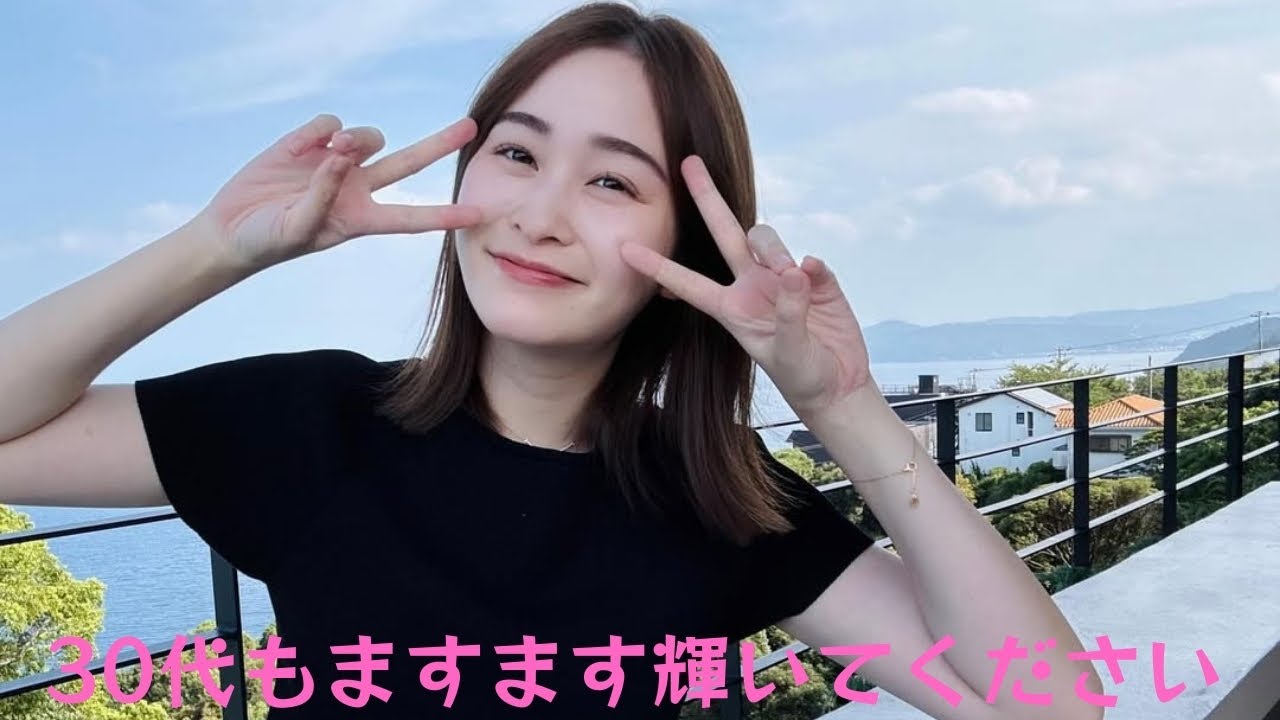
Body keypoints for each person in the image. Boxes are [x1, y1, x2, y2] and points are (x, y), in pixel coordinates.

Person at [0, 2, 1103, 719]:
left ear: (682, 245)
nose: (540, 214)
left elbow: (1049, 706)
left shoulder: (714, 497)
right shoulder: (309, 422)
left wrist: (845, 407)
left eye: (611, 180)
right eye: (518, 153)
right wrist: (215, 248)